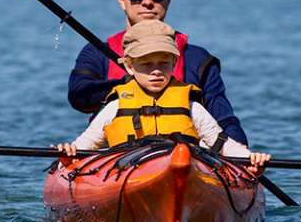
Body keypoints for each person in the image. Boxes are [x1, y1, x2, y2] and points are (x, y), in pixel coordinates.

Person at [68, 0, 249, 145]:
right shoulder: (97, 53)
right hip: (115, 155)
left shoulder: (197, 58)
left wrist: (242, 158)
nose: (147, 2)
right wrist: (127, 84)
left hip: (185, 156)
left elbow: (225, 119)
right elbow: (79, 97)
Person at [59, 20, 269, 174]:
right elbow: (85, 144)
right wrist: (68, 154)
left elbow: (222, 143)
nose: (156, 71)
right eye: (147, 64)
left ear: (173, 63)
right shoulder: (116, 106)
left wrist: (249, 158)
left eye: (164, 63)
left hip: (184, 170)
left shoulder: (190, 104)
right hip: (128, 172)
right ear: (130, 67)